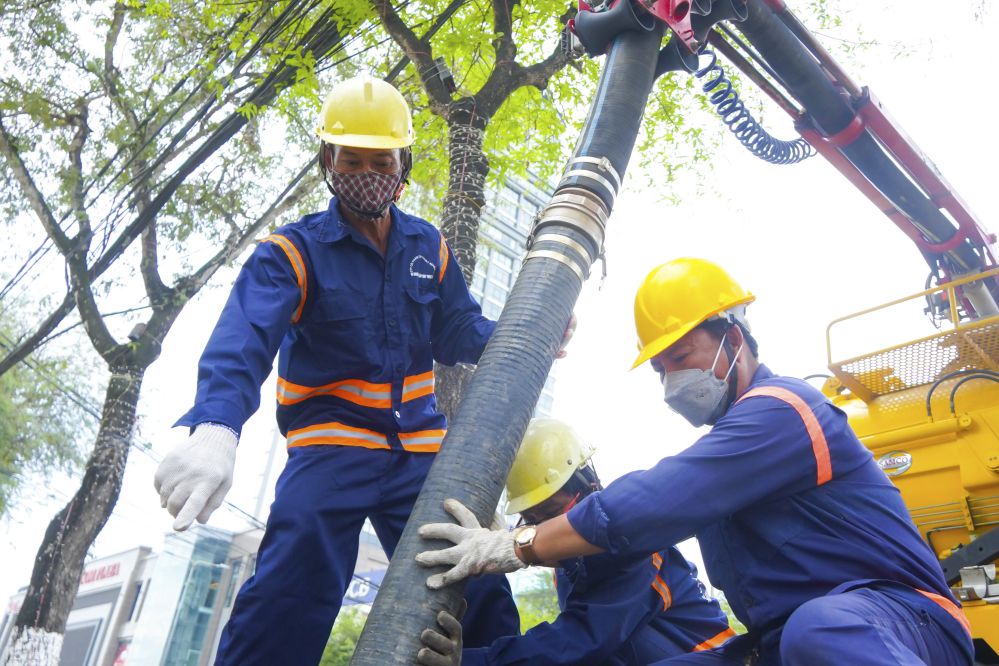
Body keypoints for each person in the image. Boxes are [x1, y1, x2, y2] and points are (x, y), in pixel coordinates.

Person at [415, 258, 975, 665]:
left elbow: (661, 499)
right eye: (659, 369)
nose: (671, 380)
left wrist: (517, 547)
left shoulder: (785, 411)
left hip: (902, 623)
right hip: (782, 642)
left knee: (820, 629)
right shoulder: (740, 436)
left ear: (734, 337)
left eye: (680, 357)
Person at [153, 75, 524, 665]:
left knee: (474, 577)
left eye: (381, 160)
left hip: (422, 455)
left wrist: (523, 333)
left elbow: (457, 329)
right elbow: (242, 341)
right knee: (289, 590)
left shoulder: (429, 246)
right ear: (327, 160)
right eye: (351, 160)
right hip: (332, 448)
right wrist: (217, 427)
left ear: (404, 162)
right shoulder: (292, 252)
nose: (368, 173)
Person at [418, 418, 735, 666]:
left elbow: (582, 640)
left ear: (591, 487)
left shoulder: (635, 548)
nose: (545, 529)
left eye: (553, 512)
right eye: (532, 520)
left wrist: (475, 661)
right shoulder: (570, 566)